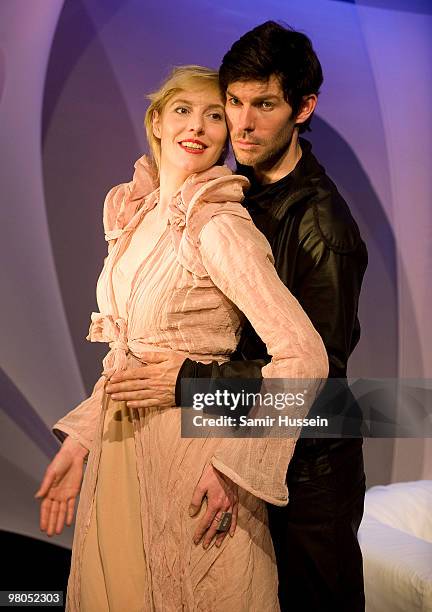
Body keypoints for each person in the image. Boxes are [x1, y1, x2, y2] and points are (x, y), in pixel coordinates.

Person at [35, 65, 328, 612]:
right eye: (183, 110)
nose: (198, 125)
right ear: (157, 122)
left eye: (215, 115)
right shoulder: (136, 218)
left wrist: (237, 470)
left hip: (194, 459)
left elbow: (303, 355)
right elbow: (130, 358)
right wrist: (81, 439)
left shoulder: (217, 226)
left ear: (226, 135)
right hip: (121, 454)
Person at [107, 22, 368, 612]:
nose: (243, 124)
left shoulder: (324, 228)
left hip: (306, 479)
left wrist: (190, 384)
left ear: (304, 108)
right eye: (235, 102)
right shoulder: (230, 193)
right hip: (230, 449)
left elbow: (317, 382)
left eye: (265, 104)